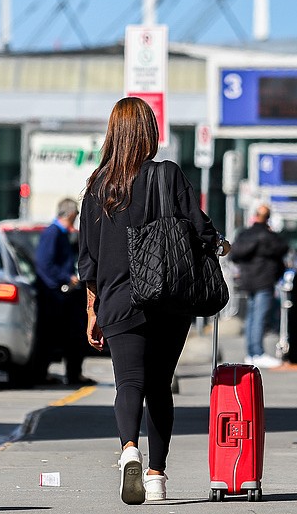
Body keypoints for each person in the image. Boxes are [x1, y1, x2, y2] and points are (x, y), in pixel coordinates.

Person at [78, 96, 229, 505]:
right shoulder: (167, 175)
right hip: (167, 296)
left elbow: (87, 259)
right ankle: (157, 476)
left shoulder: (98, 185)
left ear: (114, 134)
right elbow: (198, 227)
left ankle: (129, 448)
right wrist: (220, 243)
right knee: (160, 387)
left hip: (117, 299)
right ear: (149, 133)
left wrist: (93, 309)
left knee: (128, 382)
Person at [32, 198, 94, 386]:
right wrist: (66, 278)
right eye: (73, 219)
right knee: (49, 337)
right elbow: (44, 264)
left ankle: (72, 373)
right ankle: (42, 374)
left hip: (60, 295)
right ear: (67, 215)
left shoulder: (62, 235)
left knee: (69, 337)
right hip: (53, 295)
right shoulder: (52, 234)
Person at [228, 204, 288, 369]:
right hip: (264, 280)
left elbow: (234, 254)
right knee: (260, 318)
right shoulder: (269, 236)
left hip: (248, 281)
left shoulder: (244, 235)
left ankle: (251, 353)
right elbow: (283, 247)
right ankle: (257, 352)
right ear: (268, 217)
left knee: (251, 318)